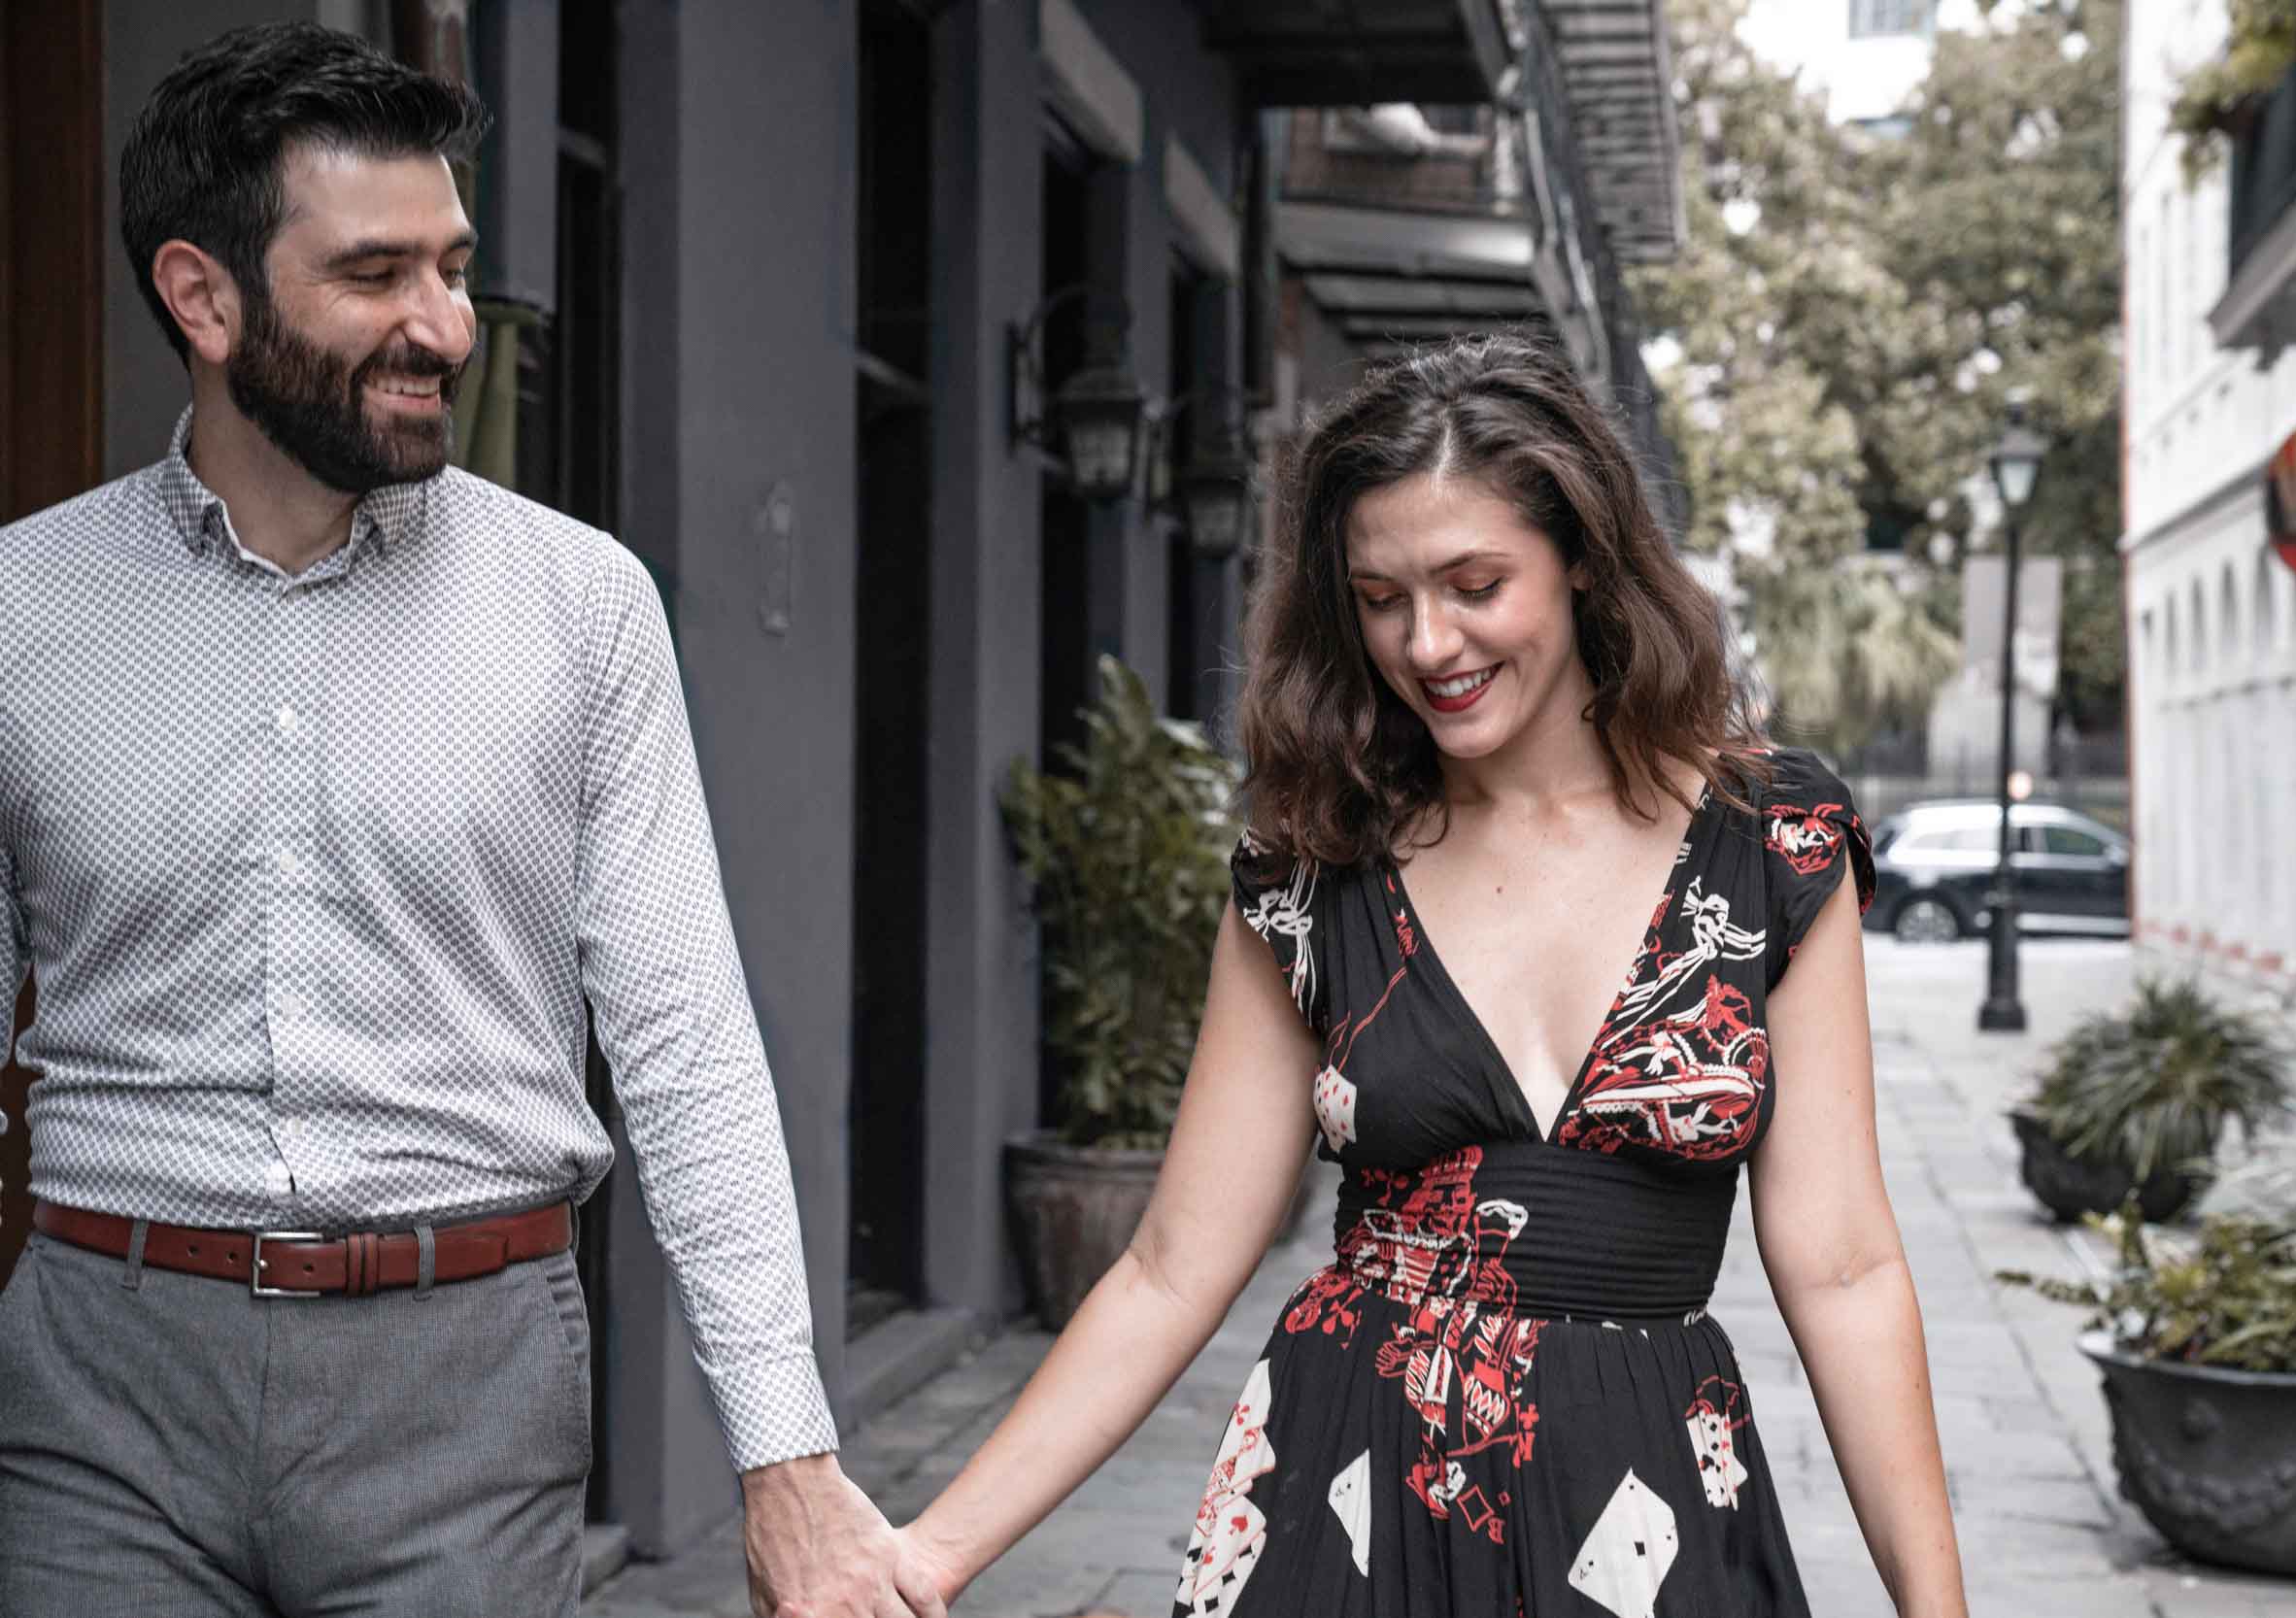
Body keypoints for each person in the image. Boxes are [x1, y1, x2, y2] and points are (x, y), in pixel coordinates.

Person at [0, 24, 930, 1618]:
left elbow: (686, 1046)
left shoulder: (581, 609)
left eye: (454, 263)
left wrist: (786, 1462)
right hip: (103, 1387)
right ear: (202, 297)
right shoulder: (25, 610)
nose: (446, 324)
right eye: (375, 274)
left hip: (468, 1384)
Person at [879, 335, 1969, 1616]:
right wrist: (927, 1556)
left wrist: (1932, 1608)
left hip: (1651, 1508)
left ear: (1579, 559)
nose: (1426, 641)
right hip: (1354, 1494)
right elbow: (1172, 1264)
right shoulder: (1311, 863)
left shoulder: (1772, 839)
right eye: (1380, 596)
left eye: (1472, 582)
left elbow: (1842, 1266)